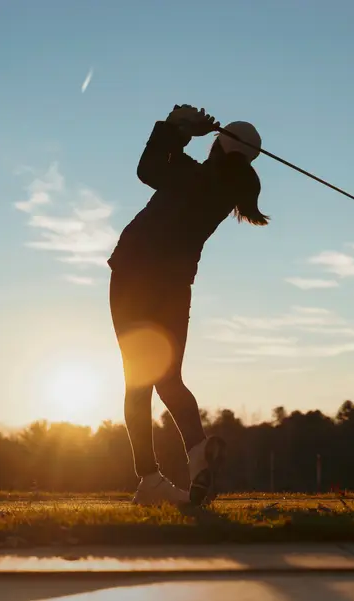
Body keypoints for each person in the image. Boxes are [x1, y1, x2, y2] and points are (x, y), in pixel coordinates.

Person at [107, 105, 267, 506]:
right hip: (175, 289)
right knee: (169, 381)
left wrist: (177, 127)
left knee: (137, 383)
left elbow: (148, 169)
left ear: (217, 144)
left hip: (133, 279)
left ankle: (150, 479)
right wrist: (182, 133)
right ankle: (199, 459)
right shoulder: (224, 187)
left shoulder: (193, 176)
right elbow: (173, 166)